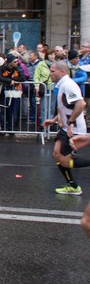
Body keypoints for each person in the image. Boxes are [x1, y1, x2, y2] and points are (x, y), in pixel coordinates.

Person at [43, 61, 88, 195]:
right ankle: (72, 186)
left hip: (74, 130)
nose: (50, 74)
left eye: (52, 71)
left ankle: (73, 187)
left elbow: (80, 104)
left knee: (64, 160)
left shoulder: (68, 85)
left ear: (62, 72)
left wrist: (70, 122)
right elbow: (65, 107)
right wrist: (54, 120)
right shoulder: (62, 85)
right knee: (57, 154)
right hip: (66, 128)